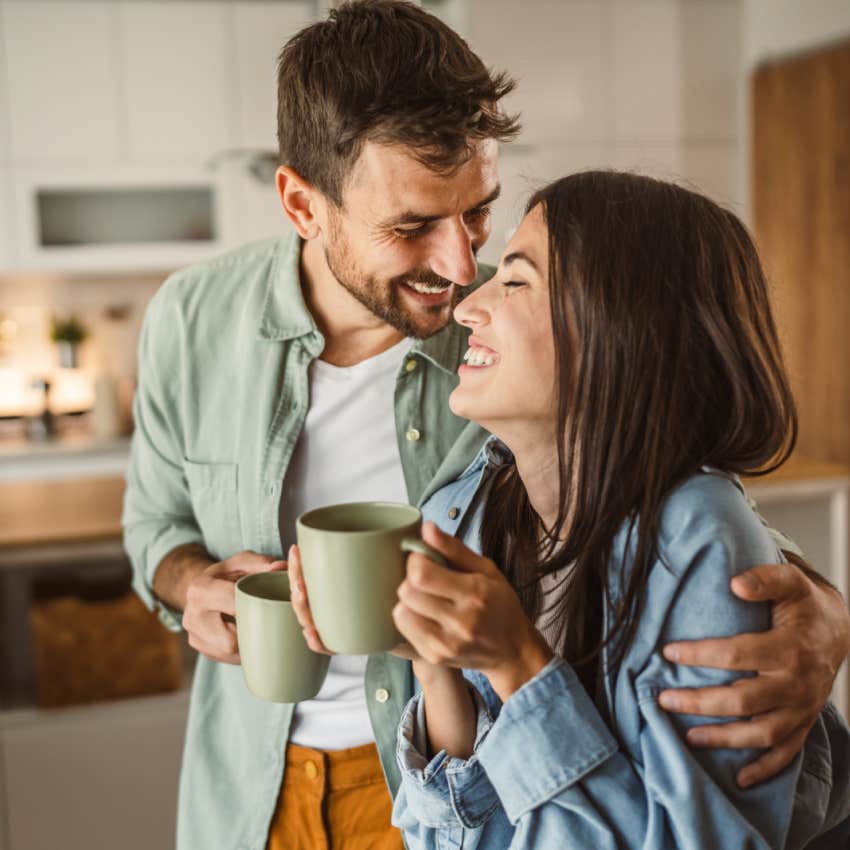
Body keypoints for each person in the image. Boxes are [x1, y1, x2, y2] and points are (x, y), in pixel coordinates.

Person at [121, 2, 850, 849]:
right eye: (411, 228)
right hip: (260, 779)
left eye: (477, 214)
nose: (461, 273)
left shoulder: (513, 363)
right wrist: (188, 585)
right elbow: (153, 525)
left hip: (449, 780)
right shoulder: (191, 320)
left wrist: (826, 612)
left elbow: (665, 493)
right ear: (302, 204)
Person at [367, 171, 850, 848]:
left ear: (616, 324)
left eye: (516, 280)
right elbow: (446, 837)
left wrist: (519, 664)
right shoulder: (469, 510)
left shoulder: (701, 538)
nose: (469, 306)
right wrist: (433, 662)